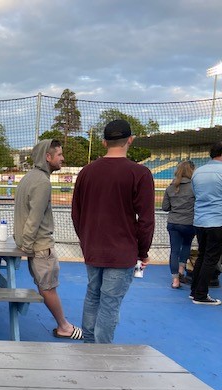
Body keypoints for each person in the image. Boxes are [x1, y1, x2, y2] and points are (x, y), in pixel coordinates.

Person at [71, 119, 155, 343]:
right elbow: (146, 220)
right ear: (130, 140)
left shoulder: (86, 172)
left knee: (93, 296)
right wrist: (142, 251)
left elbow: (76, 213)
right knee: (109, 302)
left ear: (103, 142)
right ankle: (101, 352)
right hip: (121, 250)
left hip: (93, 247)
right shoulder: (140, 173)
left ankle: (89, 346)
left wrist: (86, 241)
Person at [14, 139, 82, 340]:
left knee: (45, 288)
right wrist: (27, 246)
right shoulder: (42, 182)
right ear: (48, 157)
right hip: (41, 247)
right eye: (59, 154)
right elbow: (34, 219)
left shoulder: (29, 177)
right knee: (48, 289)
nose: (63, 158)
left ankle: (63, 325)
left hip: (32, 244)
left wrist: (23, 243)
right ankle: (64, 327)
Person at [189, 141, 222, 305]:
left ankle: (194, 290)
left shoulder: (198, 171)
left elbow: (195, 193)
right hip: (217, 220)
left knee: (202, 255)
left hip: (200, 220)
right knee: (211, 258)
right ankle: (201, 295)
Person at [162, 160, 196, 289]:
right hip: (189, 222)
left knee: (174, 251)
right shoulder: (194, 187)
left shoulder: (171, 187)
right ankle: (182, 271)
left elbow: (165, 207)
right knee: (186, 245)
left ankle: (175, 280)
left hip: (173, 223)